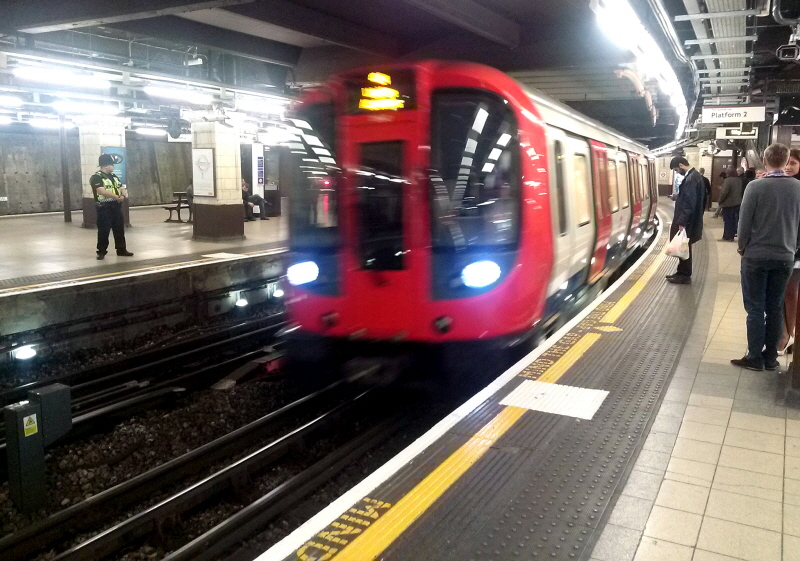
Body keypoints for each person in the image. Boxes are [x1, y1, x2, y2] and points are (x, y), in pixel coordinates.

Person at [732, 143, 800, 371]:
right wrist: (792, 246)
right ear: (787, 159)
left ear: (764, 159)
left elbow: (744, 225)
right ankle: (770, 358)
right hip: (785, 257)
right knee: (774, 307)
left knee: (755, 308)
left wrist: (742, 248)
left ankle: (753, 357)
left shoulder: (755, 187)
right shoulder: (798, 188)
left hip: (756, 257)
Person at [666, 156, 704, 284]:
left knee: (684, 247)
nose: (677, 172)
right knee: (684, 247)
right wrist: (677, 196)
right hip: (691, 220)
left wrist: (681, 222)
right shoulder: (695, 176)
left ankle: (684, 275)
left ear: (681, 165)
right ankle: (681, 272)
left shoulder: (691, 179)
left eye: (677, 169)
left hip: (687, 221)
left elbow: (689, 203)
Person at [777, 149, 800, 355]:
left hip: (796, 251)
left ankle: (790, 334)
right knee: (785, 294)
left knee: (791, 294)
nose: (788, 167)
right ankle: (785, 334)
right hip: (784, 249)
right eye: (786, 163)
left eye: (793, 163)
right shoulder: (782, 187)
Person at [91, 154, 133, 260]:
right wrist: (116, 196)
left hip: (116, 206)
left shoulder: (114, 176)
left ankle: (121, 250)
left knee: (119, 229)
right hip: (104, 207)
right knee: (104, 230)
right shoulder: (96, 177)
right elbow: (101, 190)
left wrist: (123, 195)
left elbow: (121, 187)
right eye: (112, 164)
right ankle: (101, 251)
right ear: (105, 165)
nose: (113, 167)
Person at [718, 168, 743, 241]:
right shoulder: (739, 180)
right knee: (733, 220)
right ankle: (731, 236)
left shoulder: (728, 180)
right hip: (737, 202)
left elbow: (724, 193)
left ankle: (726, 236)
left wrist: (720, 201)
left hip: (728, 203)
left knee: (727, 221)